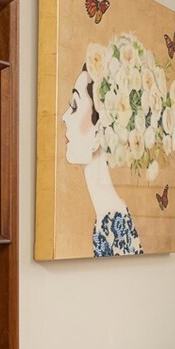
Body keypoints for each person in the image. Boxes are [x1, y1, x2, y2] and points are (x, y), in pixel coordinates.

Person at [62, 64, 144, 257]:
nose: (64, 118)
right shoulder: (108, 218)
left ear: (98, 133)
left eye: (74, 106)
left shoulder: (114, 226)